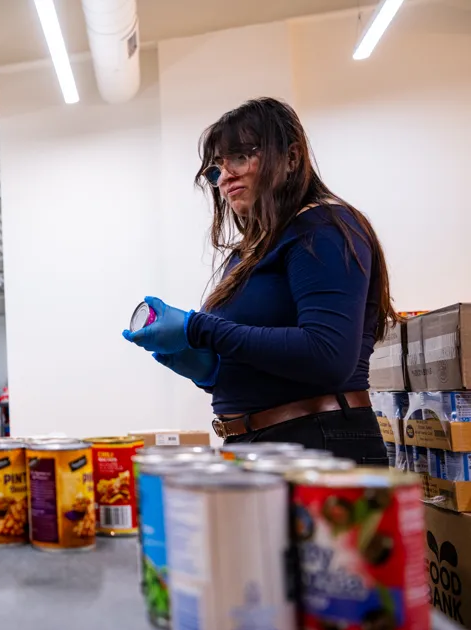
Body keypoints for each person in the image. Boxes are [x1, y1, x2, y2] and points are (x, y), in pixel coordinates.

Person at [124, 98, 392, 464]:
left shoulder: (323, 228)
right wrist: (209, 370)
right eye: (216, 168)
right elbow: (262, 358)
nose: (225, 177)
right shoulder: (251, 251)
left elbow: (327, 355)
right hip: (260, 443)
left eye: (239, 157)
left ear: (292, 157)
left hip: (318, 443)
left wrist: (197, 328)